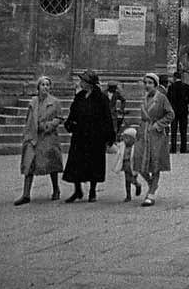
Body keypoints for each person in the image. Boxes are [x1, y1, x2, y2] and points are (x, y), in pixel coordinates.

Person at [62, 70, 115, 203]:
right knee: (75, 162)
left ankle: (92, 191)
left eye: (83, 81)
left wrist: (109, 135)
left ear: (89, 83)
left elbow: (107, 117)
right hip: (80, 134)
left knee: (94, 162)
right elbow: (73, 111)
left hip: (95, 136)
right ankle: (77, 190)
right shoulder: (79, 96)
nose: (80, 83)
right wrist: (69, 123)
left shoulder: (101, 98)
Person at [14, 75, 64, 206]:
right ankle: (26, 194)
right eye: (43, 85)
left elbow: (59, 117)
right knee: (29, 163)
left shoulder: (55, 102)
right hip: (34, 136)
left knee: (51, 163)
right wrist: (27, 135)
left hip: (48, 137)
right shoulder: (33, 102)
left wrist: (49, 125)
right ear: (38, 87)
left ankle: (56, 189)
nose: (45, 87)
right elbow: (29, 119)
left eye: (47, 85)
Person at [132, 72, 174, 207]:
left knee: (155, 163)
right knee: (139, 161)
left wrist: (159, 124)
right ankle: (152, 184)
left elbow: (170, 114)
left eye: (150, 83)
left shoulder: (161, 98)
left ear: (155, 85)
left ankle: (151, 193)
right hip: (143, 132)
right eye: (145, 83)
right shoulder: (143, 98)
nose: (147, 85)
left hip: (156, 134)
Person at [167, 70, 189, 153]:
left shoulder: (171, 87)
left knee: (173, 131)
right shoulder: (186, 86)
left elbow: (168, 98)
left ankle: (173, 148)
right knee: (183, 131)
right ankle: (183, 148)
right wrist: (184, 103)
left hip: (174, 111)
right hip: (183, 111)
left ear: (174, 78)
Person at [114, 126, 142, 201]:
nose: (125, 140)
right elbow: (117, 147)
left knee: (132, 179)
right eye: (124, 138)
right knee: (127, 181)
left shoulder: (135, 147)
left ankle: (137, 185)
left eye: (127, 138)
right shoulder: (122, 145)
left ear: (133, 139)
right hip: (125, 164)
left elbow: (139, 156)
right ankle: (128, 195)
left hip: (133, 165)